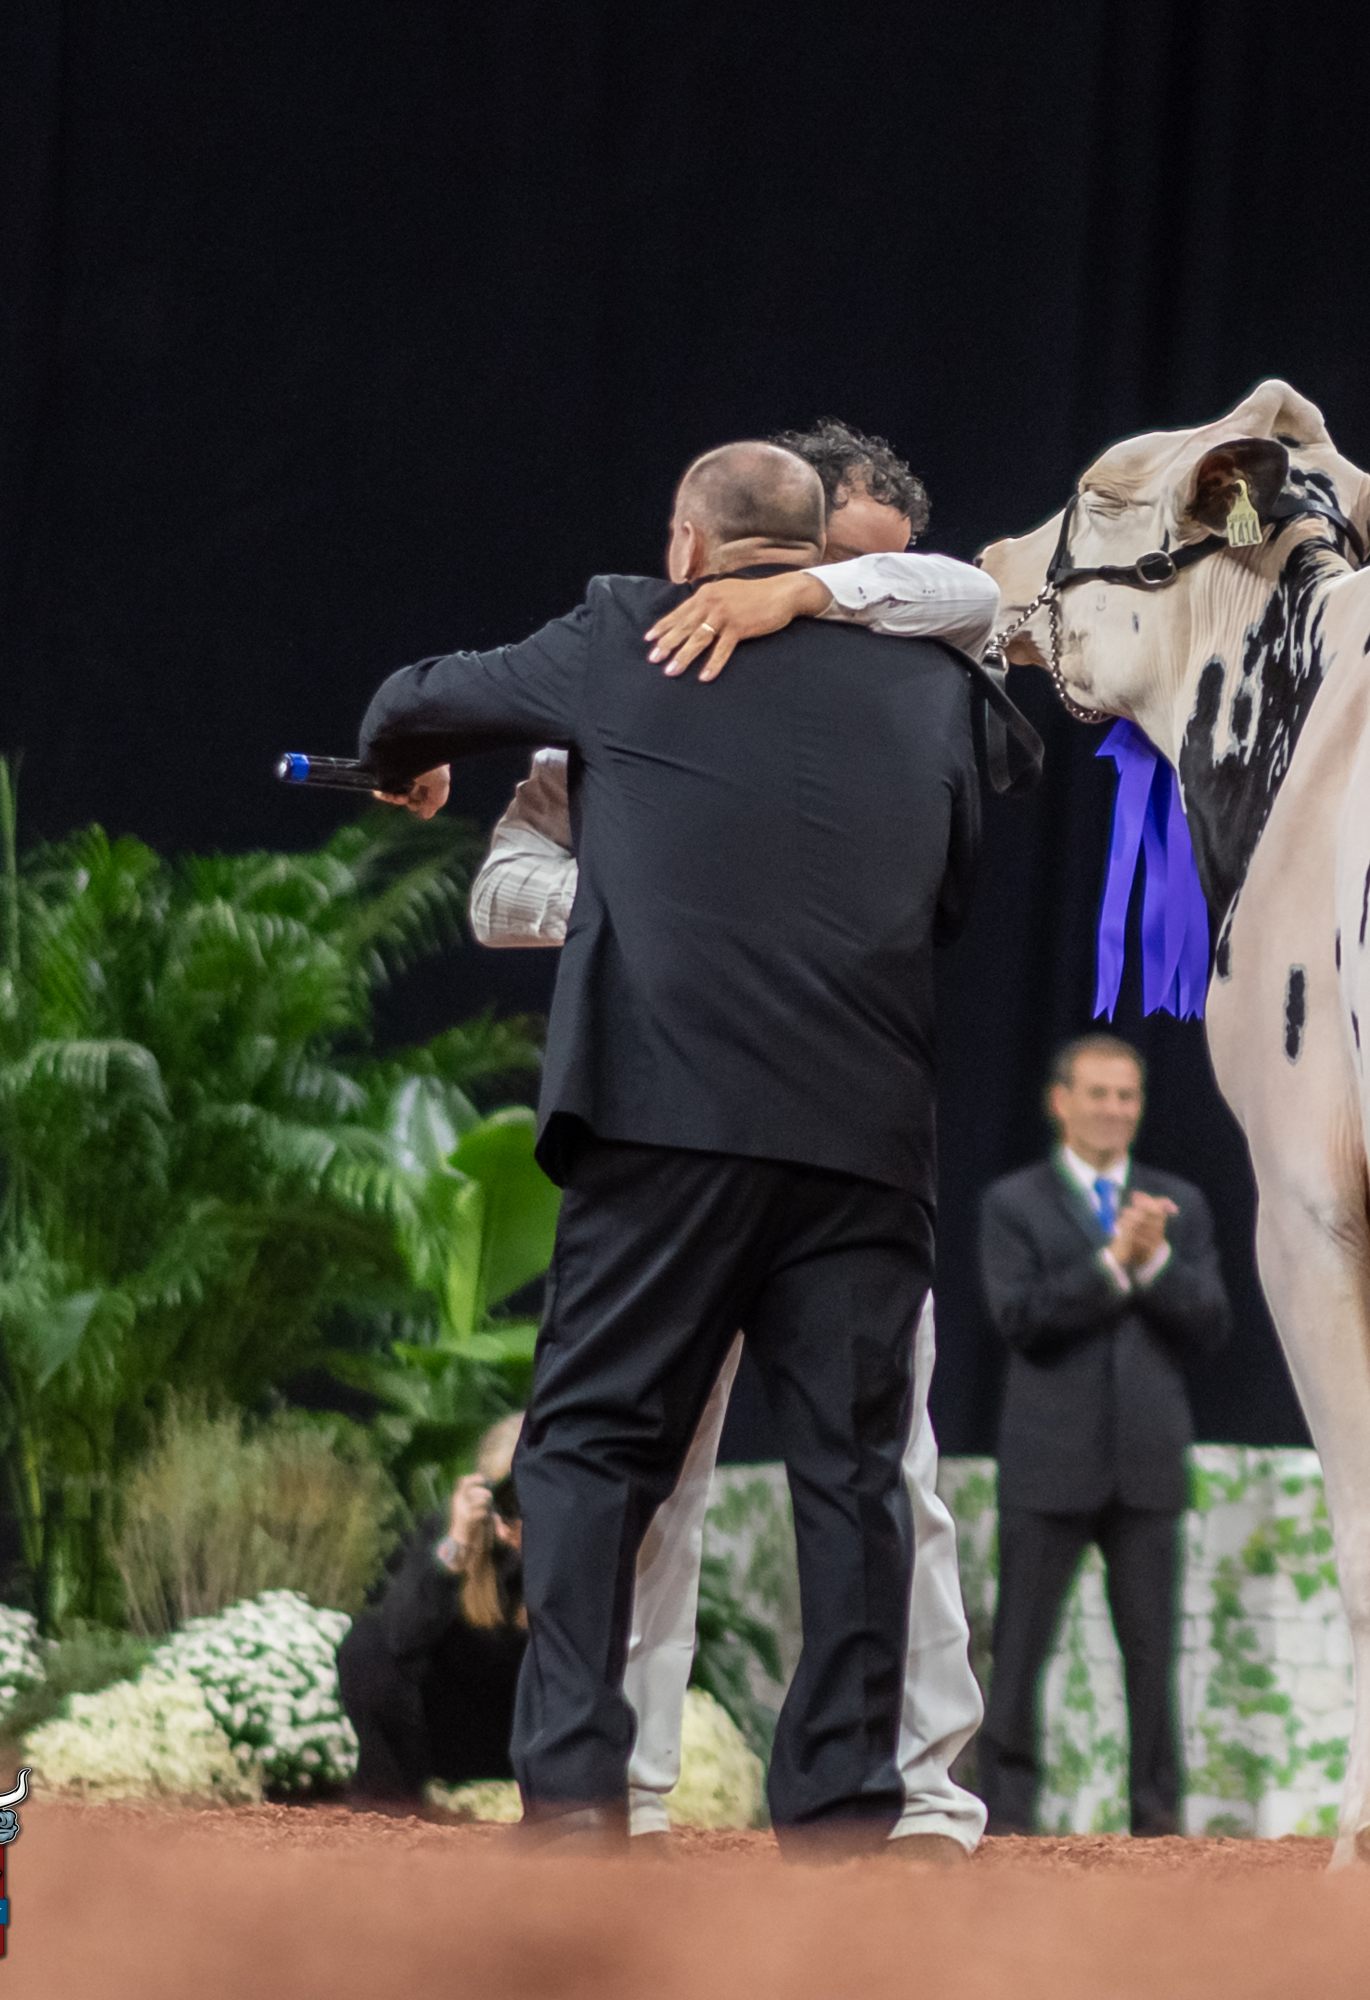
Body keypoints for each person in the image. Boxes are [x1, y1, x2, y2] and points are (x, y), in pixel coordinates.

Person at [357, 439, 982, 1858]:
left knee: (587, 1451)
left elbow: (412, 700)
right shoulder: (936, 682)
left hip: (667, 1124)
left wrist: (405, 764)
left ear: (688, 545)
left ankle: (581, 1801)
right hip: (865, 1137)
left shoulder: (625, 632)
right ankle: (844, 1817)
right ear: (818, 543)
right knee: (855, 1475)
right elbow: (949, 894)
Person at [975, 1035, 1231, 1837]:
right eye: (1098, 1093)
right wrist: (1115, 1262)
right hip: (1047, 1462)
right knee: (1019, 1652)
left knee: (1154, 1658)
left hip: (1147, 1464)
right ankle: (1006, 1817)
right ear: (1061, 1101)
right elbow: (1023, 1320)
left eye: (1127, 1095)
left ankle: (1157, 1819)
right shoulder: (1013, 1203)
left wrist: (1153, 1264)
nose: (1114, 1109)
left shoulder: (1176, 1203)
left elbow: (1211, 1323)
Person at [337, 1416, 527, 1812]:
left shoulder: (576, 1544)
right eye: (509, 1493)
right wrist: (455, 1546)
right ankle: (386, 1811)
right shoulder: (452, 1531)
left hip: (535, 1732)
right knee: (368, 1643)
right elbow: (398, 1637)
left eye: (533, 1492)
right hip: (453, 1732)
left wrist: (542, 1549)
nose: (519, 1506)